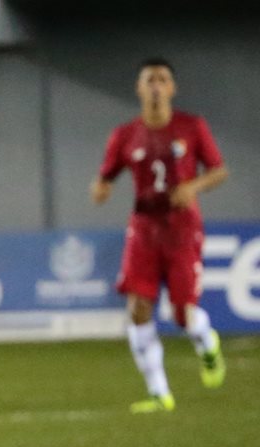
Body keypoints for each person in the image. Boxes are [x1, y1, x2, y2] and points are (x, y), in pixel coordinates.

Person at [91, 57, 228, 413]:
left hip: (182, 230)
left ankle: (207, 343)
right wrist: (101, 188)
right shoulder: (124, 135)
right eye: (148, 79)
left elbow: (218, 170)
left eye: (162, 79)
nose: (155, 85)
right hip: (143, 231)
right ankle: (159, 392)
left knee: (183, 315)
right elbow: (106, 176)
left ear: (172, 88)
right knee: (138, 308)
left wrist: (193, 186)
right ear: (139, 88)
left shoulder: (192, 127)